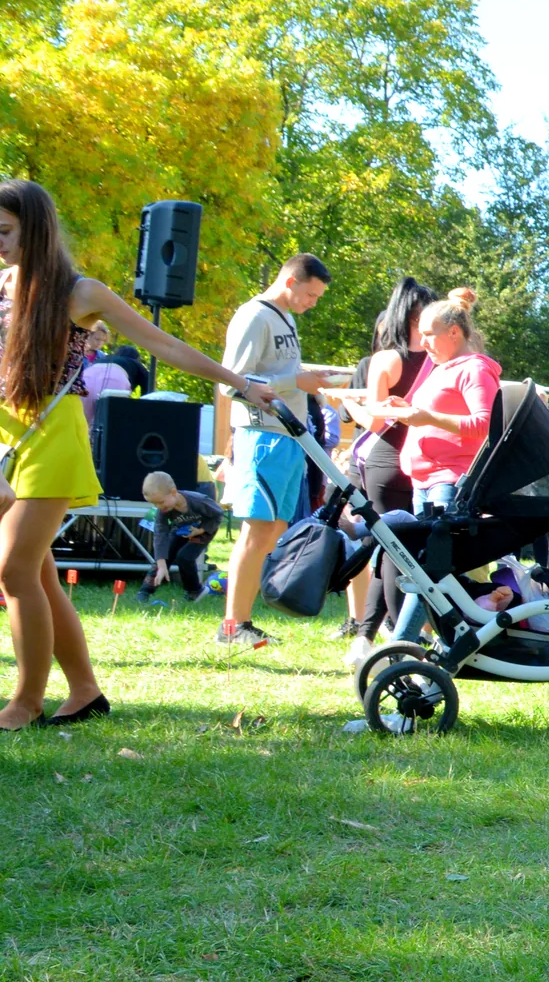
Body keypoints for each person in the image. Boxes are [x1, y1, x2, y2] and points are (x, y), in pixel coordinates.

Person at [0, 180, 278, 727]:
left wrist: (240, 383)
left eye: (5, 231)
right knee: (39, 574)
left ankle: (25, 703)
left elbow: (165, 346)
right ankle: (84, 691)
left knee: (12, 570)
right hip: (8, 437)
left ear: (35, 228)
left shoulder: (80, 292)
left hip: (51, 442)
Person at [216, 252, 338, 648]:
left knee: (274, 531)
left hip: (287, 437)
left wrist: (305, 381)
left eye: (319, 297)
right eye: (310, 294)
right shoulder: (254, 315)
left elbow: (281, 377)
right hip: (261, 437)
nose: (313, 303)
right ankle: (232, 627)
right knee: (256, 532)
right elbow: (230, 382)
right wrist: (295, 382)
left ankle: (243, 621)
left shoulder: (284, 317)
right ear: (290, 281)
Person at [373, 296, 500, 641]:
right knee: (428, 570)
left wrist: (427, 416)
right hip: (425, 482)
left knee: (432, 571)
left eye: (430, 334)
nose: (423, 341)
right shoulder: (441, 369)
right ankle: (431, 641)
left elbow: (486, 424)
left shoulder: (475, 368)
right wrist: (404, 407)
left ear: (454, 332)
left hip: (451, 482)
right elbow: (434, 415)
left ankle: (402, 645)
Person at [341, 276, 437, 665]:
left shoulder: (386, 360)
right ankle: (391, 640)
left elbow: (375, 423)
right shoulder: (440, 362)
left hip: (386, 464)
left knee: (392, 553)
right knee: (401, 555)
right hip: (421, 463)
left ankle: (375, 639)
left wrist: (350, 403)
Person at [140, 470, 222, 601]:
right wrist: (161, 565)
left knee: (184, 557)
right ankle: (144, 592)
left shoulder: (198, 501)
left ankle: (194, 591)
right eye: (154, 504)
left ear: (173, 492)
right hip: (181, 530)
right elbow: (160, 535)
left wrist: (200, 530)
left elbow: (218, 514)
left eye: (160, 502)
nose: (158, 507)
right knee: (164, 555)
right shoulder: (163, 510)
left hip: (203, 530)